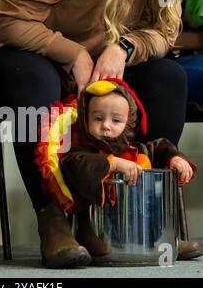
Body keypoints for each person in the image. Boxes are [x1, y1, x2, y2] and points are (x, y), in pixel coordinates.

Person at [0, 0, 200, 268]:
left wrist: (124, 47)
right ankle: (52, 219)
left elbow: (164, 33)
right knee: (34, 77)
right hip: (15, 54)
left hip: (100, 63)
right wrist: (74, 54)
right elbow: (11, 22)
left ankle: (136, 219)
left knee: (168, 78)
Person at [56, 79, 199, 261]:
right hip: (97, 233)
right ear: (85, 119)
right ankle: (97, 242)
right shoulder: (82, 152)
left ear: (129, 123)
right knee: (102, 247)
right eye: (98, 118)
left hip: (142, 225)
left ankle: (165, 241)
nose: (106, 125)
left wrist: (175, 158)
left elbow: (160, 147)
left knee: (152, 161)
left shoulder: (136, 151)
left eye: (116, 120)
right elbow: (74, 163)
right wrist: (113, 163)